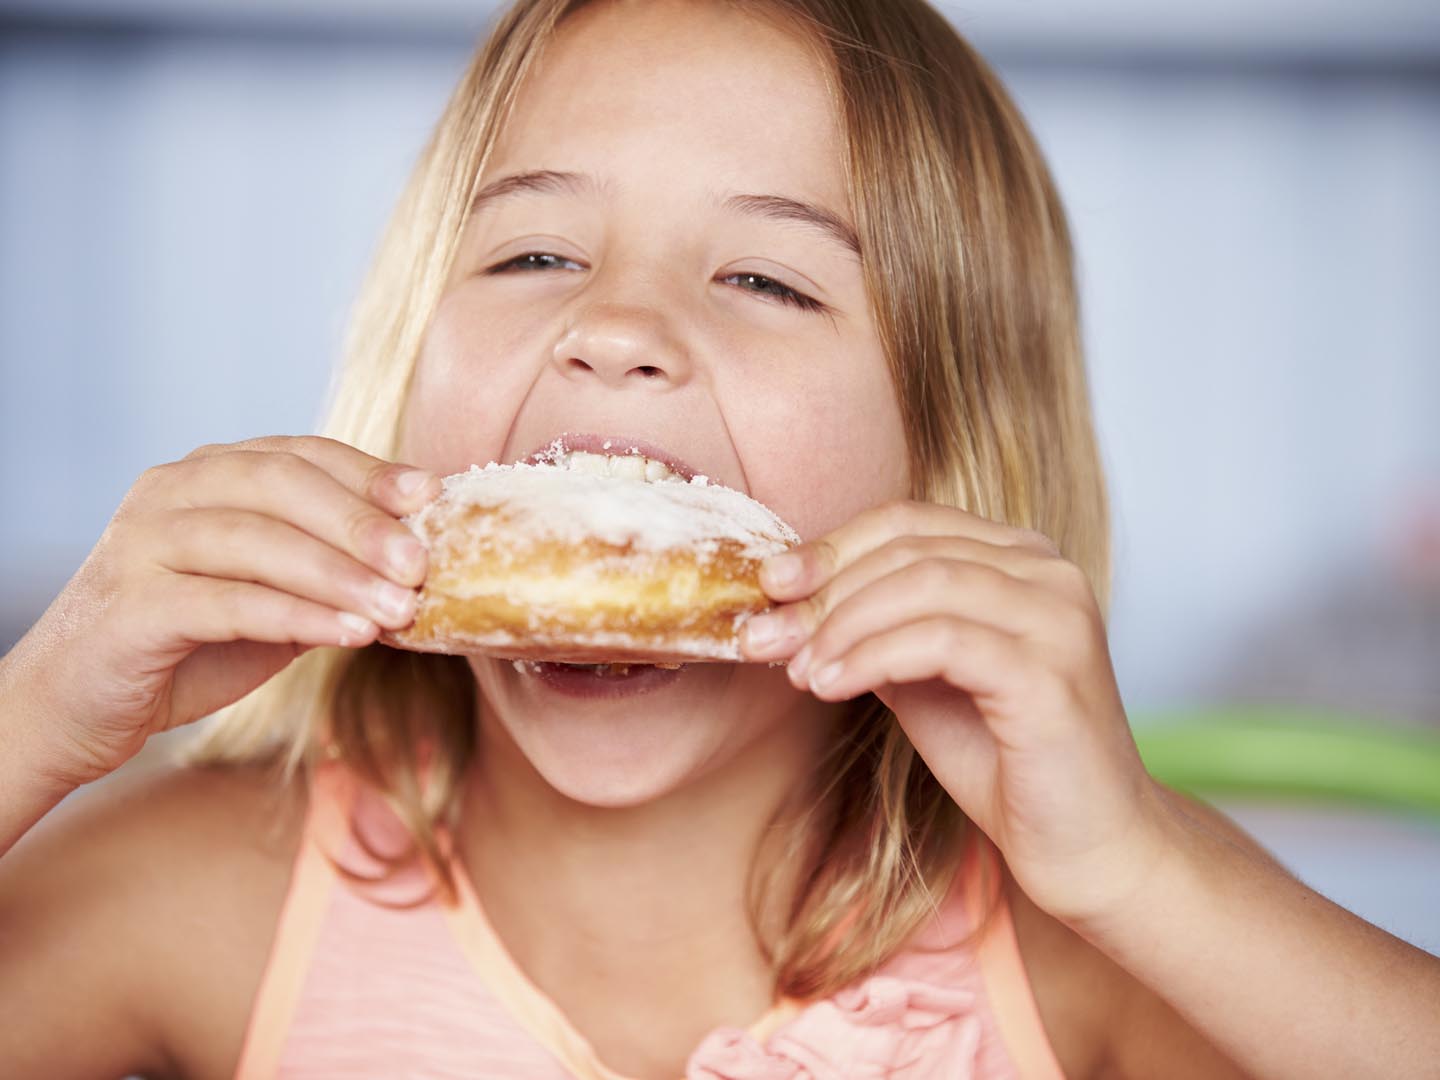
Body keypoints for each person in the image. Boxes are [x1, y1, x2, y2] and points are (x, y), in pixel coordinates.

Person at [2, 0, 1436, 1076]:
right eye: (534, 254)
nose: (615, 328)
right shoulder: (218, 893)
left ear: (947, 453)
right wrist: (41, 713)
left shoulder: (1089, 953)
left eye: (764, 276)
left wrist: (1136, 868)